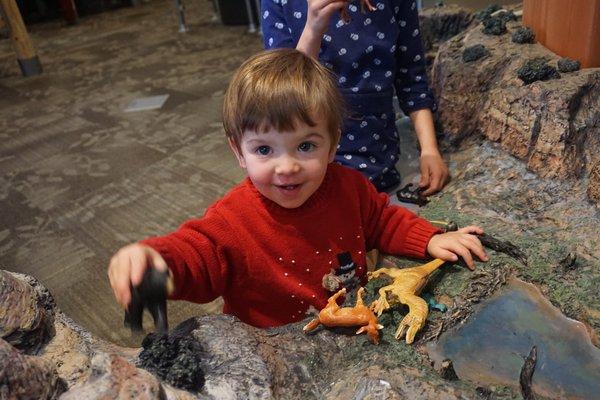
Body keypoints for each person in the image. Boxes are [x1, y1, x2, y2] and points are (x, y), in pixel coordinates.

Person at [107, 49, 486, 329]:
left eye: (306, 146)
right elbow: (198, 255)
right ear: (238, 151)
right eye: (264, 149)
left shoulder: (349, 187)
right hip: (274, 342)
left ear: (333, 144)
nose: (287, 166)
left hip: (351, 321)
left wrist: (429, 239)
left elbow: (382, 221)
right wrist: (154, 260)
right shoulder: (232, 219)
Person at [261, 0, 448, 194]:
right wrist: (313, 29)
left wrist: (429, 150)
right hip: (305, 171)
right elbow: (281, 92)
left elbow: (411, 77)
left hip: (378, 166)